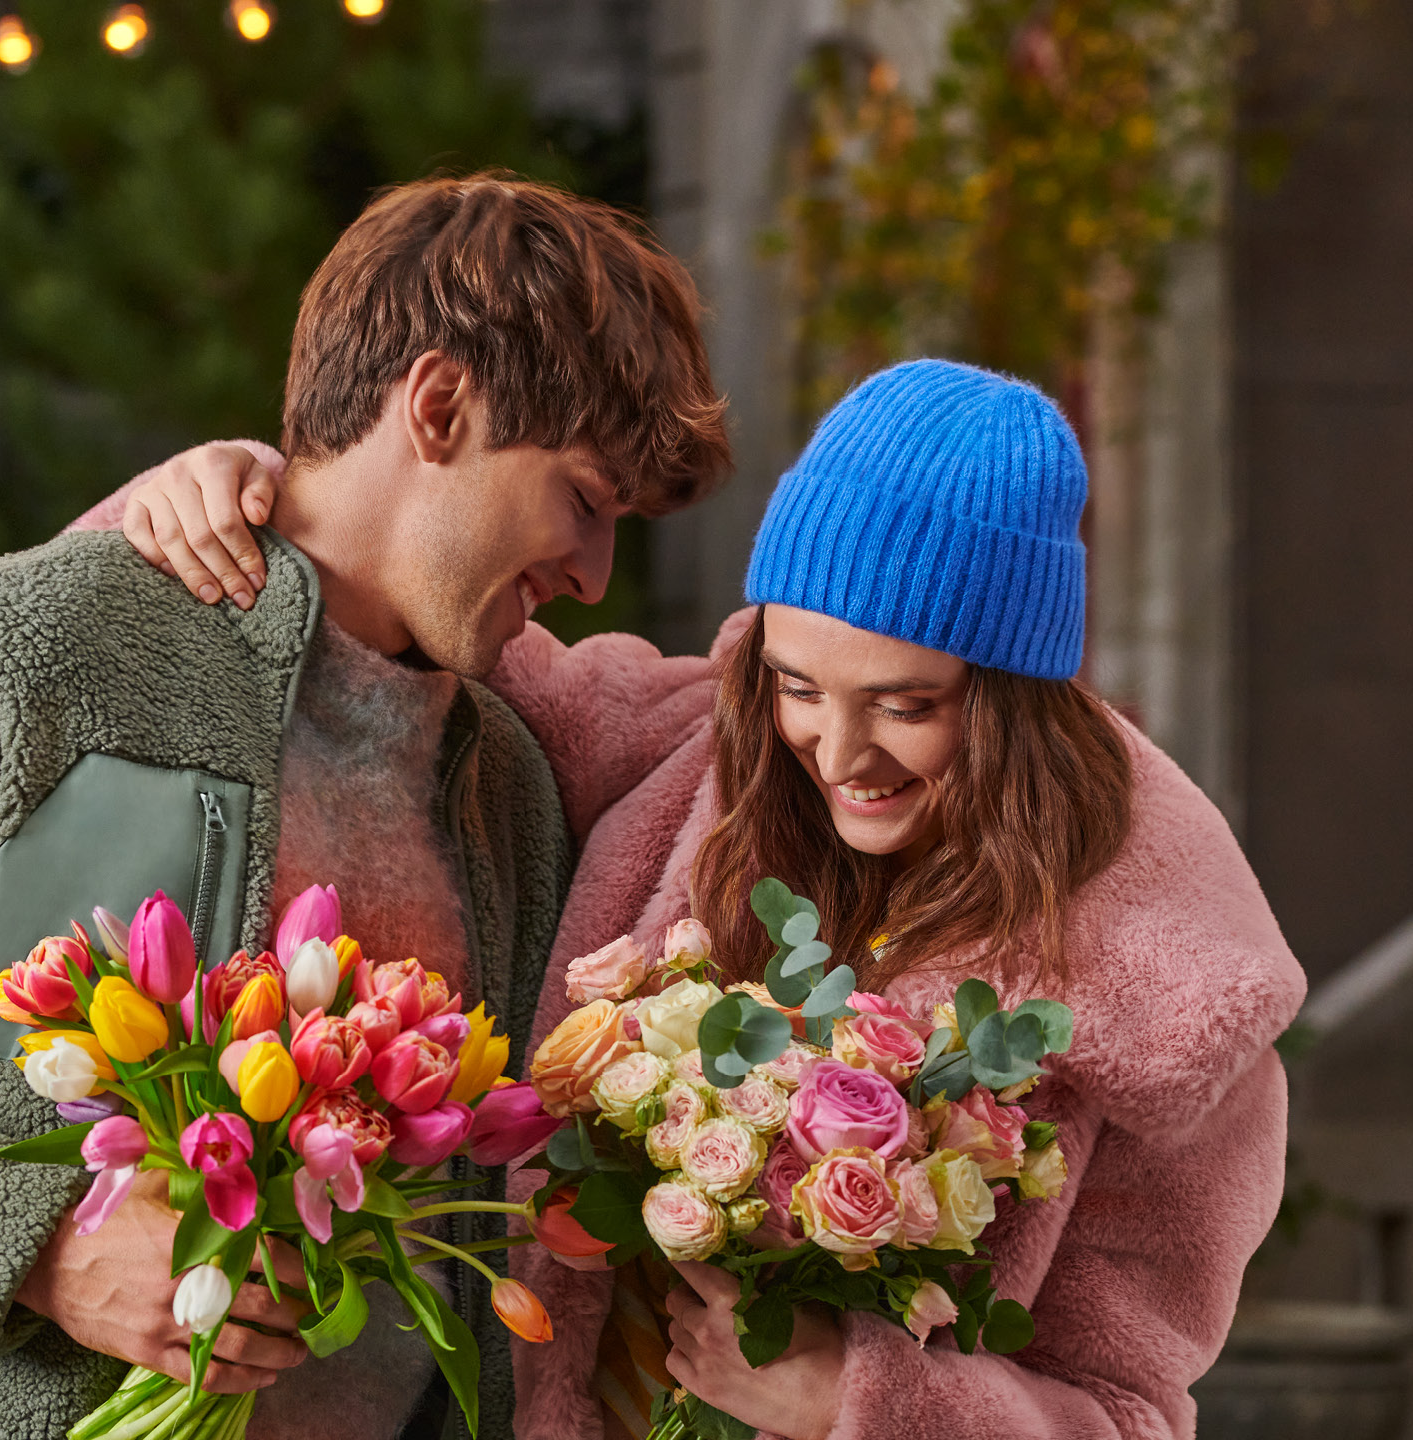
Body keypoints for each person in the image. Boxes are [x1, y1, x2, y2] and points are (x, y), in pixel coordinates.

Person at [0, 173, 730, 1440]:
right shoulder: (8, 657)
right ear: (440, 405)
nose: (595, 571)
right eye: (583, 496)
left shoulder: (508, 782)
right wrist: (42, 1246)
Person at [97, 358, 1308, 1440]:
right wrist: (253, 496)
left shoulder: (1165, 1002)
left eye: (906, 705)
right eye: (797, 685)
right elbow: (410, 604)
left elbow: (1130, 1415)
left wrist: (858, 1402)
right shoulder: (698, 758)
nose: (839, 752)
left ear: (1013, 703)